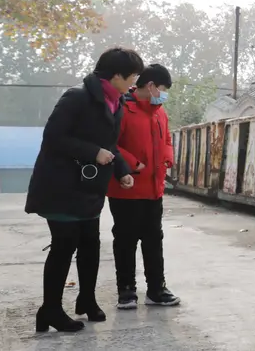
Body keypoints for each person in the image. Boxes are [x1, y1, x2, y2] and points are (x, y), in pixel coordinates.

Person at [26, 46, 144, 333]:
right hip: (61, 187)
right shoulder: (77, 97)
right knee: (64, 245)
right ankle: (50, 309)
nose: (134, 83)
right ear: (116, 75)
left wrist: (121, 171)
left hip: (88, 187)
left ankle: (86, 300)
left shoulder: (115, 102)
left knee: (90, 244)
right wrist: (93, 153)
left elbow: (110, 144)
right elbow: (53, 138)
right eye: (132, 77)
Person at [107, 63, 180, 311]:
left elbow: (167, 138)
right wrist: (132, 164)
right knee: (126, 239)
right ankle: (126, 291)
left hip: (153, 189)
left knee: (153, 239)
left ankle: (157, 289)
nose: (164, 94)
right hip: (126, 188)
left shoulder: (160, 112)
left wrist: (168, 157)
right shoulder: (122, 109)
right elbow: (110, 143)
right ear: (150, 86)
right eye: (162, 89)